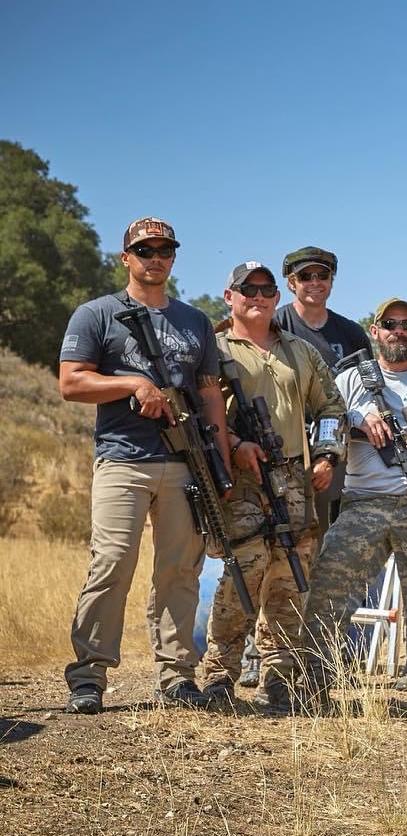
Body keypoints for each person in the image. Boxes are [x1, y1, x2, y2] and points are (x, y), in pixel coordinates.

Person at [58, 217, 230, 713]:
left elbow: (209, 395)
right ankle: (89, 676)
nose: (156, 258)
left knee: (180, 571)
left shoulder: (195, 321)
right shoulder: (96, 314)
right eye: (145, 250)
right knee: (112, 562)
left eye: (165, 250)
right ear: (126, 258)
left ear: (173, 258)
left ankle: (176, 676)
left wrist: (219, 465)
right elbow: (71, 383)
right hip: (122, 459)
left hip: (185, 463)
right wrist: (133, 384)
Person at [298, 297, 407, 713]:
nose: (398, 332)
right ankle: (313, 686)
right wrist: (358, 418)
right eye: (389, 324)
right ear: (374, 331)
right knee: (329, 588)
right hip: (362, 503)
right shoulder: (350, 379)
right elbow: (325, 419)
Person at [198, 262, 345, 714]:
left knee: (289, 579)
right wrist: (236, 444)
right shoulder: (214, 349)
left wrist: (326, 456)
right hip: (239, 480)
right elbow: (200, 413)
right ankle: (219, 676)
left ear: (277, 297)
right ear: (230, 296)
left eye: (266, 290)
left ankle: (278, 679)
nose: (258, 297)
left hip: (294, 479)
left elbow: (332, 407)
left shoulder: (300, 351)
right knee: (244, 572)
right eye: (248, 289)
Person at [274, 247, 372, 543]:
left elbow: (368, 392)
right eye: (306, 276)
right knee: (292, 536)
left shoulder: (351, 332)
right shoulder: (276, 325)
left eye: (323, 275)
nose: (315, 282)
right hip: (286, 447)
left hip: (337, 449)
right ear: (291, 283)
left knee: (336, 538)